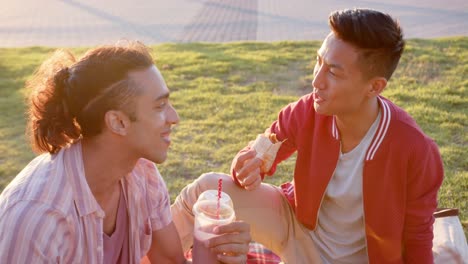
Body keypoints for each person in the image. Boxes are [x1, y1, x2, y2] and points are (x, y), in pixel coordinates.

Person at [171, 8, 444, 263]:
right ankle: (149, 255)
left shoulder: (415, 151)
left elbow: (418, 236)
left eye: (333, 72)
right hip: (296, 229)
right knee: (208, 188)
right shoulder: (308, 110)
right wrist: (246, 165)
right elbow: (262, 149)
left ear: (374, 87)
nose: (316, 81)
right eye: (319, 62)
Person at [0, 42, 250, 263]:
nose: (174, 117)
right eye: (160, 106)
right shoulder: (36, 219)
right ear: (118, 122)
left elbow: (171, 261)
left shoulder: (143, 175)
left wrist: (221, 259)